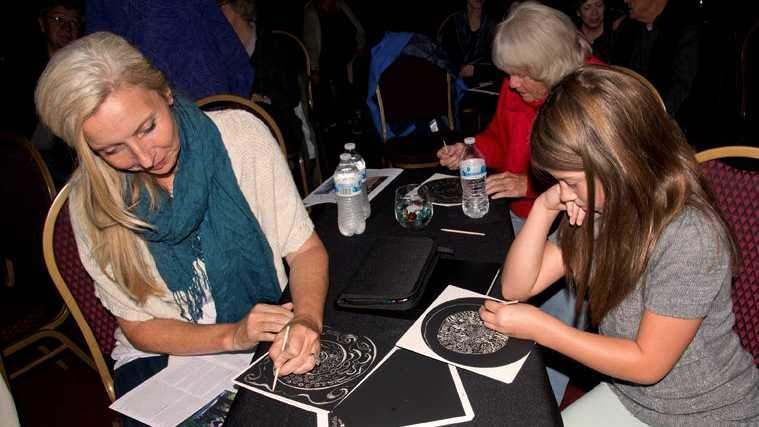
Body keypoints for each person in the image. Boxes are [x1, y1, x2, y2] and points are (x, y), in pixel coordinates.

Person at [34, 32, 328, 416]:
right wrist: (232, 335)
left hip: (266, 322)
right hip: (162, 355)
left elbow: (304, 250)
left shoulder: (242, 139)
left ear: (166, 93)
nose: (143, 156)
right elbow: (139, 328)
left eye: (147, 127)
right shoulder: (90, 203)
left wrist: (307, 318)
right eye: (111, 149)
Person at [480, 65, 759, 426]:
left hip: (705, 412)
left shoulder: (689, 235)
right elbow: (517, 286)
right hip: (631, 395)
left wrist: (542, 328)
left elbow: (647, 363)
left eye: (569, 182)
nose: (564, 193)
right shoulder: (600, 207)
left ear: (620, 164)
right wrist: (545, 206)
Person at [437, 1, 602, 403]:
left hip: (575, 225)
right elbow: (499, 140)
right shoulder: (518, 90)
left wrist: (528, 185)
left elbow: (603, 178)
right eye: (507, 72)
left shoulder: (594, 91)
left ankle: (536, 404)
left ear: (550, 65)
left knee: (552, 333)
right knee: (510, 311)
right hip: (524, 223)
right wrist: (471, 150)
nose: (511, 84)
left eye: (521, 73)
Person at [610, 0, 700, 118]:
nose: (625, 0)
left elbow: (681, 90)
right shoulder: (626, 30)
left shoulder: (685, 31)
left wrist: (651, 121)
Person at [437, 0, 498, 87]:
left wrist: (477, 70)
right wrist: (457, 69)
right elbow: (440, 57)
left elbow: (503, 67)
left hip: (485, 88)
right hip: (456, 88)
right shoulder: (451, 22)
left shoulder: (495, 24)